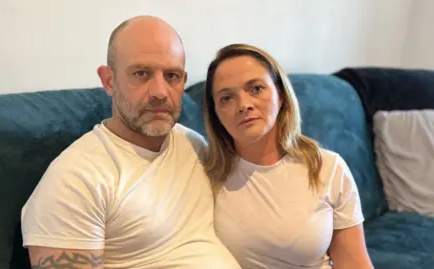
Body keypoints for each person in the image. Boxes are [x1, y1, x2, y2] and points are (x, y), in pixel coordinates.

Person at [20, 16, 240, 269]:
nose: (160, 91)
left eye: (172, 76)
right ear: (109, 80)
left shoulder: (193, 145)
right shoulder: (75, 179)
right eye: (142, 73)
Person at [203, 43, 374, 269]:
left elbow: (354, 263)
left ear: (280, 95)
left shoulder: (327, 167)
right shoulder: (206, 174)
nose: (244, 105)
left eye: (255, 88)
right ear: (216, 114)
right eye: (226, 98)